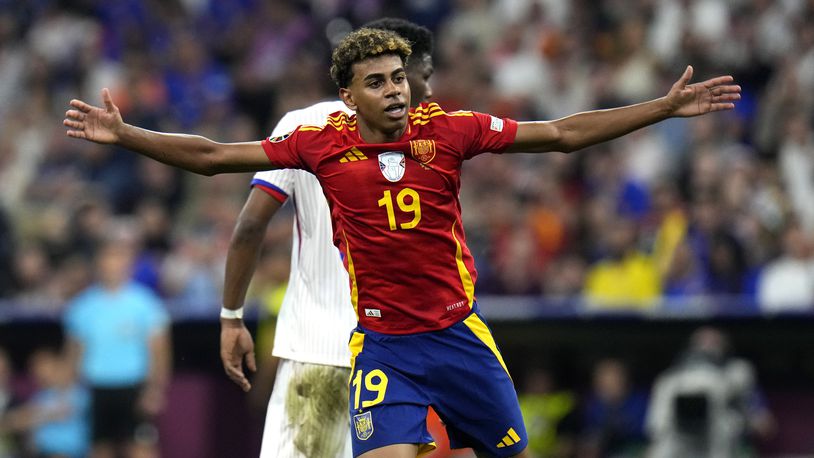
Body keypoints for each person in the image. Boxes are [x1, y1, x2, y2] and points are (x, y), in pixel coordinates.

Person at [63, 27, 740, 458]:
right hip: (383, 349)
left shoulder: (449, 130)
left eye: (399, 77)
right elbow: (213, 156)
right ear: (348, 96)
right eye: (378, 82)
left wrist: (659, 107)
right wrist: (126, 136)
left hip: (459, 337)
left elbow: (561, 133)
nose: (396, 91)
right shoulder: (318, 145)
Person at [221, 18, 436, 458]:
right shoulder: (433, 143)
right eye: (425, 76)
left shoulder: (304, 125)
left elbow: (249, 225)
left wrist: (231, 315)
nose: (426, 91)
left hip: (318, 351)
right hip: (396, 360)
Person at [63, 236, 172, 458]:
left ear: (129, 263)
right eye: (108, 257)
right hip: (97, 389)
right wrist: (69, 393)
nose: (113, 263)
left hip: (134, 388)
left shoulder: (146, 303)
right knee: (100, 449)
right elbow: (73, 354)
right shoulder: (81, 307)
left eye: (119, 257)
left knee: (141, 449)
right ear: (98, 263)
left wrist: (154, 390)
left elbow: (159, 351)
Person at [645, 327, 775, 458]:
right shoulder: (669, 381)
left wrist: (742, 415)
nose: (707, 348)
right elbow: (656, 427)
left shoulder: (737, 375)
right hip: (677, 446)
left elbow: (764, 425)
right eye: (702, 342)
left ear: (725, 347)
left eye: (713, 343)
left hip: (721, 444)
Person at [0, 347, 90, 458]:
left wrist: (34, 416)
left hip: (70, 453)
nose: (40, 374)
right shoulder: (41, 396)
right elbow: (18, 419)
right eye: (36, 370)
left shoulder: (79, 392)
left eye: (44, 368)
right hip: (42, 452)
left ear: (59, 366)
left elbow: (63, 412)